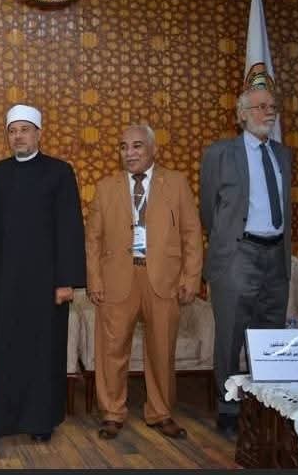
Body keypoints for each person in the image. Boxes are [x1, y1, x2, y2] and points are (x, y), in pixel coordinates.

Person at [85, 124, 202, 440]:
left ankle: (161, 413)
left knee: (161, 349)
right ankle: (112, 413)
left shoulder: (176, 183)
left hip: (163, 279)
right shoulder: (106, 187)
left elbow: (192, 233)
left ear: (153, 149)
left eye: (137, 146)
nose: (129, 153)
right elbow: (93, 239)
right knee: (112, 350)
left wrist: (191, 277)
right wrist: (94, 279)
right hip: (117, 279)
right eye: (123, 147)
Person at [0, 104, 86, 442]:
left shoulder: (59, 172)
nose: (18, 137)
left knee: (43, 354)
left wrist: (66, 281)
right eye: (13, 131)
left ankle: (40, 421)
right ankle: (4, 420)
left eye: (25, 130)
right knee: (5, 349)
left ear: (39, 134)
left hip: (46, 284)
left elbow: (70, 229)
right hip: (4, 282)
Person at [200, 87, 292, 437]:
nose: (270, 112)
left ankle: (265, 410)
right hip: (238, 254)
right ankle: (229, 410)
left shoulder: (283, 154)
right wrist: (228, 245)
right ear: (241, 115)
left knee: (269, 339)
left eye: (273, 106)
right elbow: (209, 209)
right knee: (231, 337)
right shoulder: (220, 153)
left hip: (276, 256)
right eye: (261, 107)